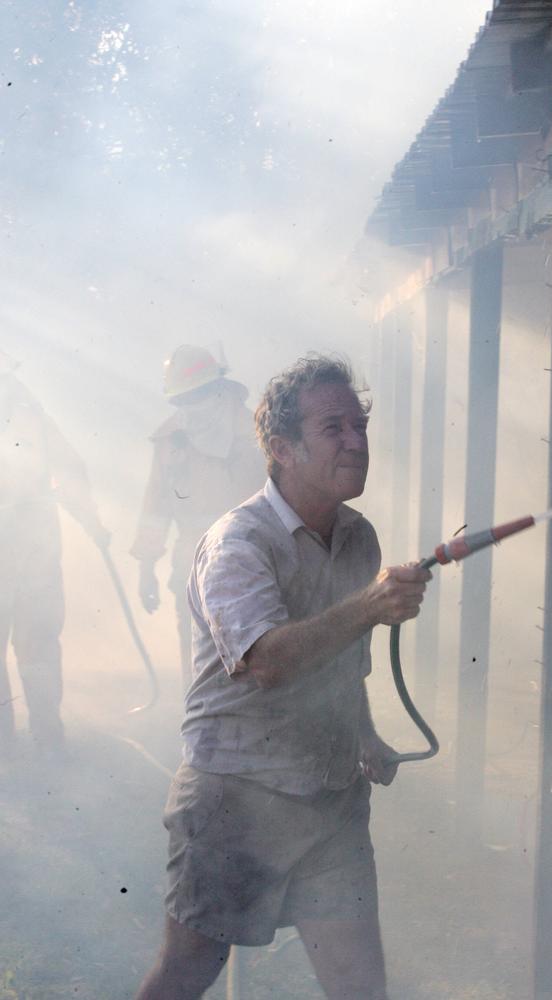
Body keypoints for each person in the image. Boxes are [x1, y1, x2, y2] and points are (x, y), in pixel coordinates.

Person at [135, 355, 431, 1000]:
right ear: (281, 448)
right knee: (185, 974)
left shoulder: (359, 537)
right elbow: (264, 661)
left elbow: (343, 660)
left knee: (360, 985)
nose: (356, 442)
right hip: (234, 797)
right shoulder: (237, 541)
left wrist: (365, 734)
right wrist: (371, 604)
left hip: (330, 797)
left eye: (360, 425)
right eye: (334, 428)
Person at [131, 345, 265, 689]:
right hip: (191, 564)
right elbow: (155, 508)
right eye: (181, 400)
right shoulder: (170, 439)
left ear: (218, 388)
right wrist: (147, 569)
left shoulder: (255, 432)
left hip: (252, 561)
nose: (190, 407)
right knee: (198, 657)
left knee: (251, 653)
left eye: (198, 395)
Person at [0, 350, 109, 758]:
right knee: (39, 642)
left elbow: (68, 472)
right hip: (36, 546)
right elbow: (70, 471)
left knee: (37, 641)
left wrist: (92, 522)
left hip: (30, 548)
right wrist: (91, 523)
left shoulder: (31, 416)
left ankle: (21, 740)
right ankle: (45, 735)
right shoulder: (33, 415)